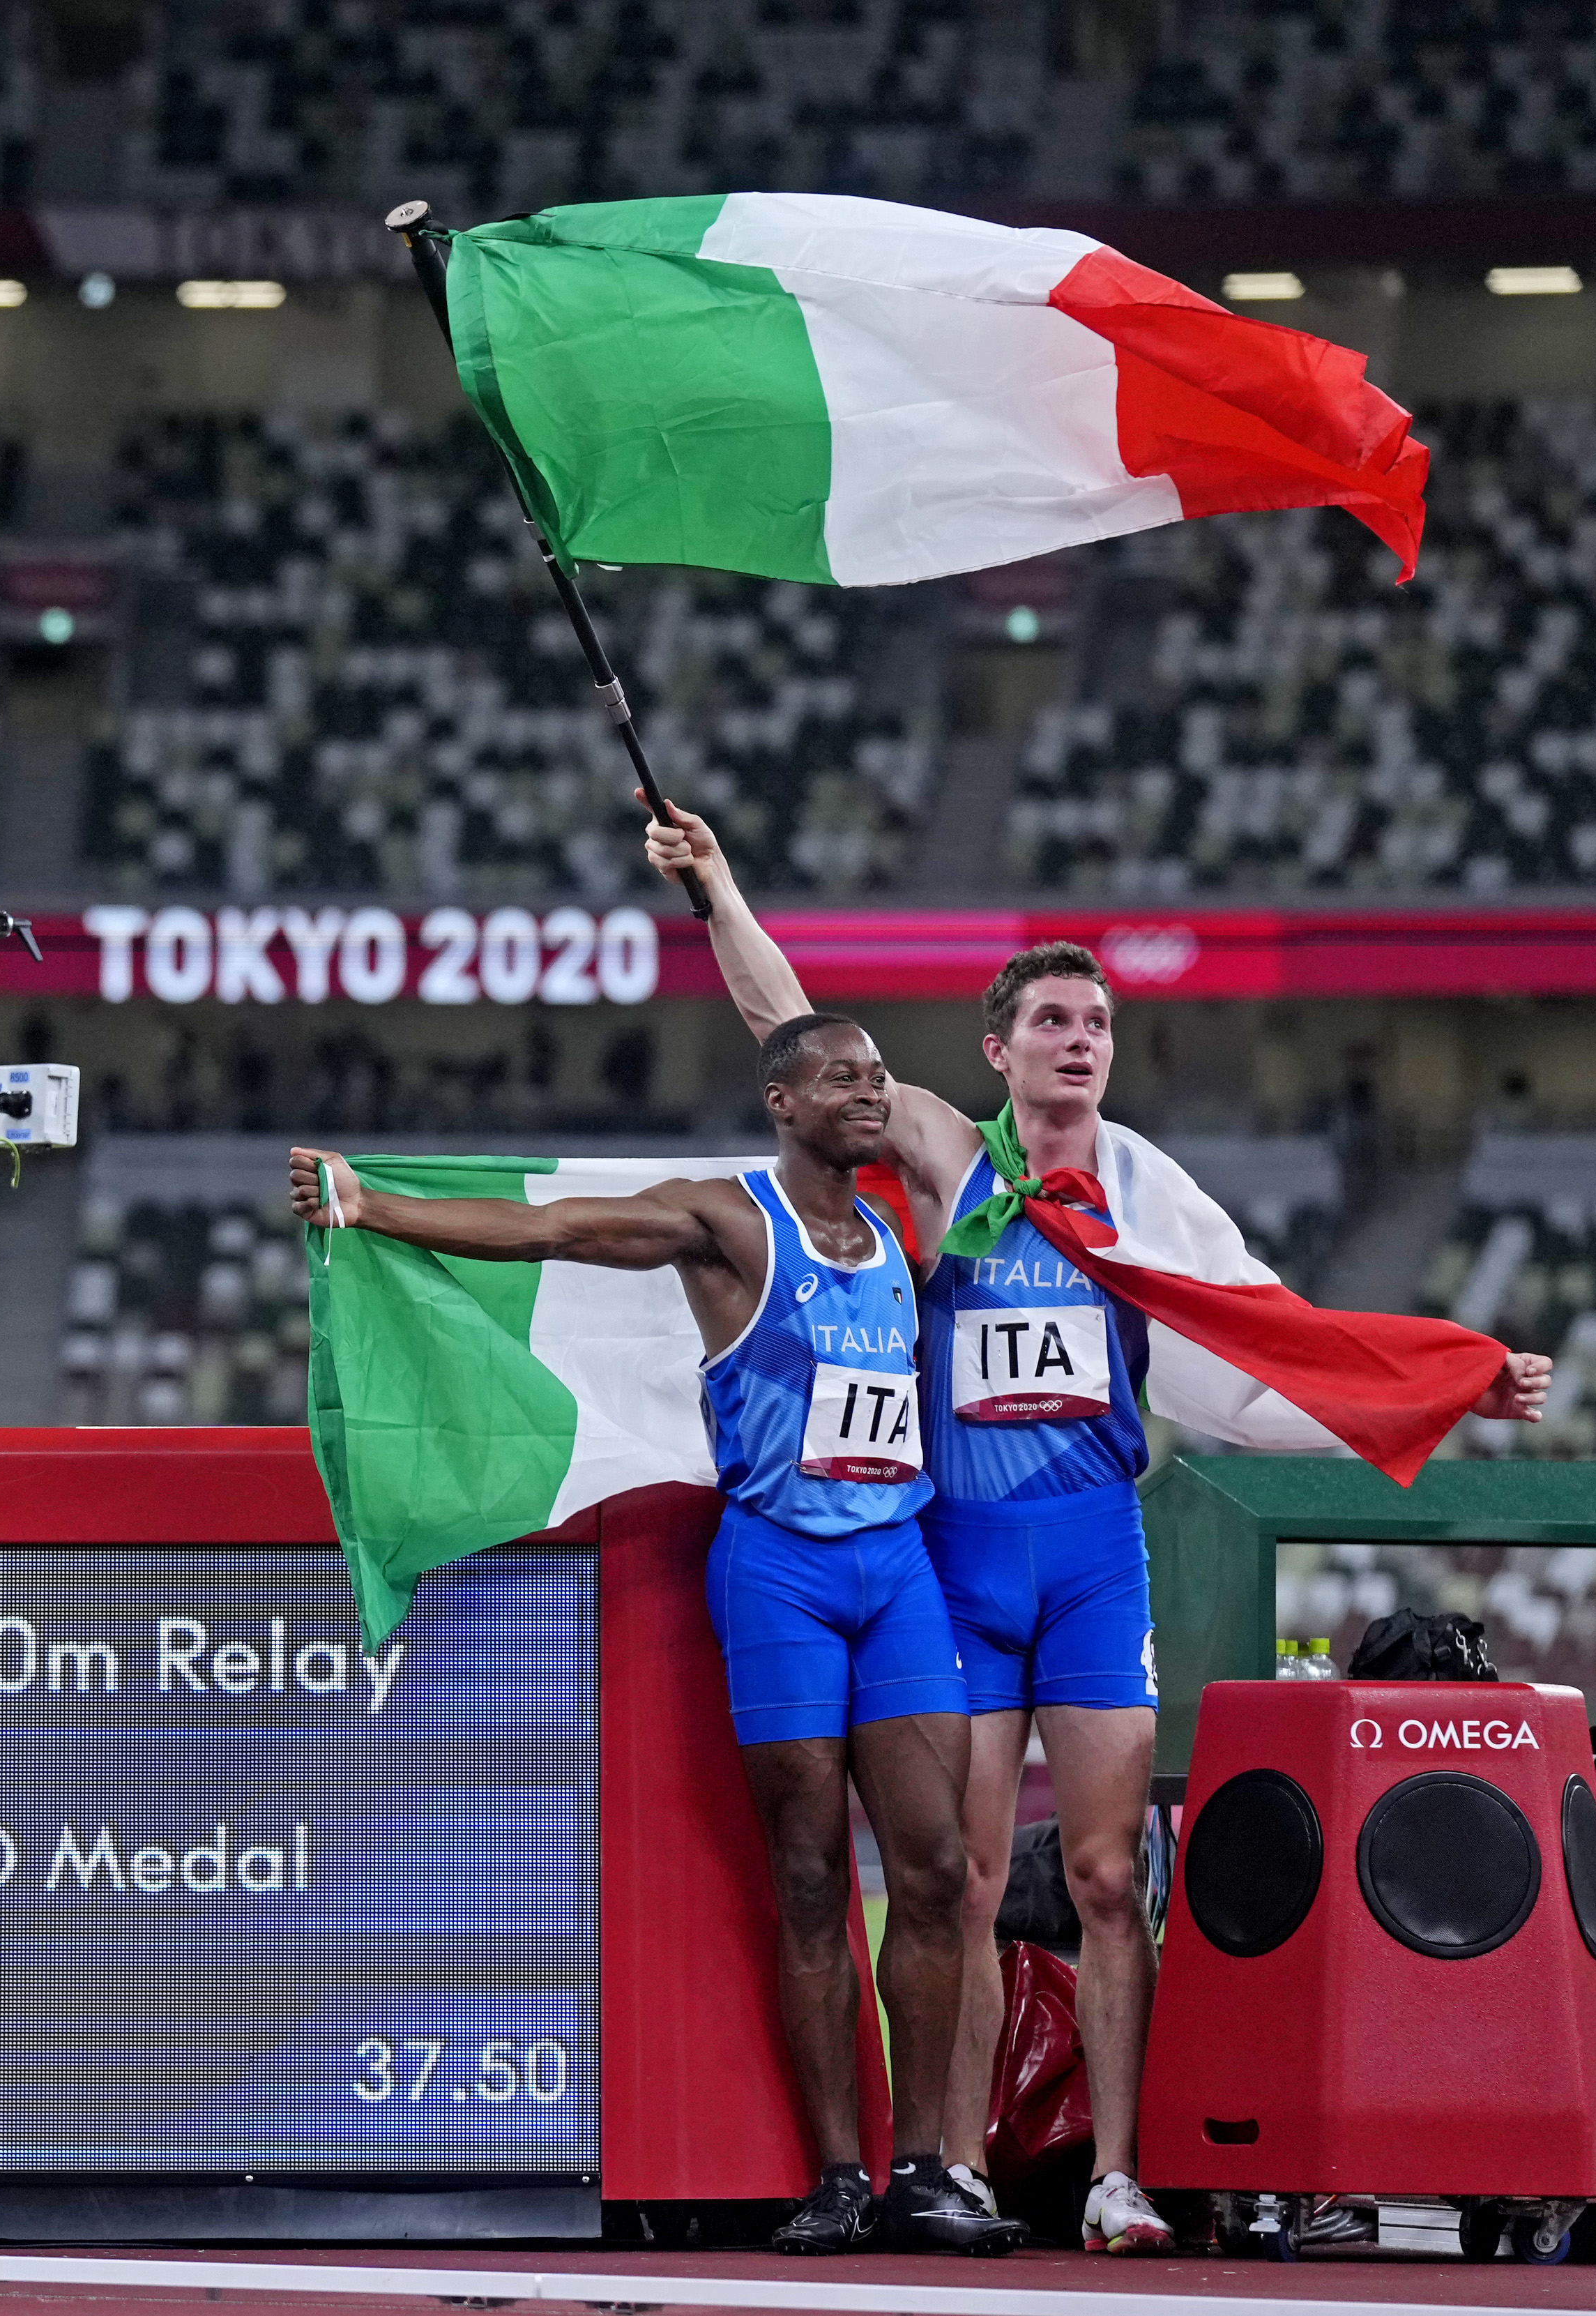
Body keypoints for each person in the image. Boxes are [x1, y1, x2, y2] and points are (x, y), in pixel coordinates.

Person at [641, 802, 1550, 2254]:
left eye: (1099, 1021)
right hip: (960, 1562)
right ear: (997, 1049)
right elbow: (790, 1021)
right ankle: (960, 2162)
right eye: (1052, 1018)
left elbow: (1267, 1343)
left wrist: (1443, 1382)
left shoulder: (1150, 1191)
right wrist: (719, 886)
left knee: (1113, 1874)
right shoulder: (940, 1154)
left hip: (1088, 1555)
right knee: (971, 1879)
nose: (1079, 1038)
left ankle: (1122, 2169)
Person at [291, 1015, 1024, 2257]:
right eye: (841, 1076)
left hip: (895, 1568)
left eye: (878, 1075)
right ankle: (838, 2177)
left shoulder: (900, 1237)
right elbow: (553, 1232)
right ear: (783, 1103)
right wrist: (373, 1205)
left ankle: (925, 2170)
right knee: (805, 1878)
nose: (871, 1091)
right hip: (780, 1570)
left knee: (940, 1871)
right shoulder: (727, 1220)